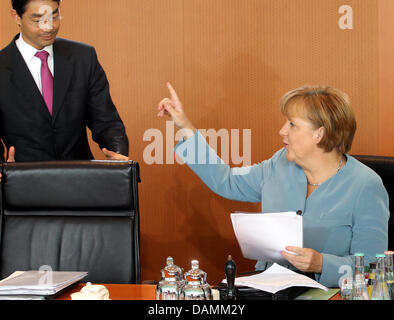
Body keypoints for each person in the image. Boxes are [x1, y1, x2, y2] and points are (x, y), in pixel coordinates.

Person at [157, 82, 389, 288]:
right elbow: (226, 181)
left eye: (292, 124)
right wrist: (184, 125)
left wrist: (321, 263)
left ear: (320, 133)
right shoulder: (279, 163)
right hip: (268, 289)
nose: (282, 131)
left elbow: (371, 270)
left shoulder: (366, 185)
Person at [0, 0, 129, 163]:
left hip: (80, 180)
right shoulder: (2, 68)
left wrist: (118, 156)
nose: (49, 27)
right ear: (16, 16)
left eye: (54, 16)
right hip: (23, 182)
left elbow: (107, 122)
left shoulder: (83, 57)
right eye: (38, 19)